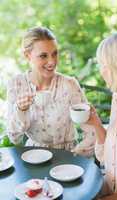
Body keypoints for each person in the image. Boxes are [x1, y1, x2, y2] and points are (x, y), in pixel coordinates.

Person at [7, 26, 95, 156]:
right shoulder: (16, 84)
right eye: (43, 56)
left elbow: (91, 130)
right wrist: (21, 110)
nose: (52, 62)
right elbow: (14, 138)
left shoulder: (69, 84)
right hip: (34, 156)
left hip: (68, 155)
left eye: (55, 54)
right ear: (27, 56)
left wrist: (78, 153)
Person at [88, 31, 117, 200]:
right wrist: (95, 124)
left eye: (105, 65)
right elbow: (108, 161)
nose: (102, 71)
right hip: (105, 191)